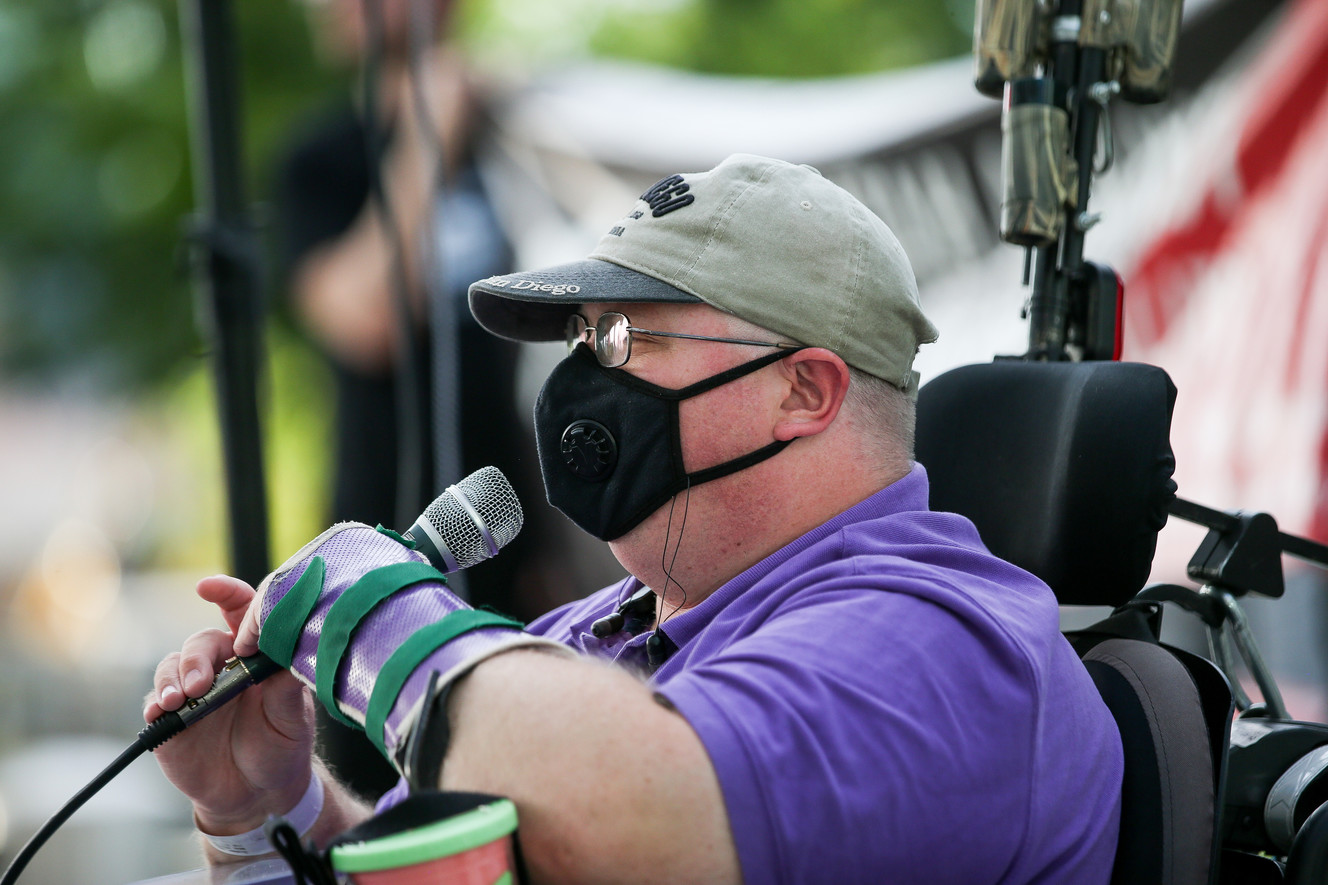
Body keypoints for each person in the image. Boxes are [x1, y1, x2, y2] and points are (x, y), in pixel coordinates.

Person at [147, 154, 1123, 884]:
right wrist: (270, 811)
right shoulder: (580, 642)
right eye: (577, 339)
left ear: (802, 390)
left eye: (621, 338)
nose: (576, 381)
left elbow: (651, 825)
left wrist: (384, 625)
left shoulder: (941, 644)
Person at [271, 0, 573, 797]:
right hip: (380, 555)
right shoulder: (320, 158)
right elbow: (361, 318)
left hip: (521, 538)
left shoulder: (521, 136)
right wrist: (424, 143)